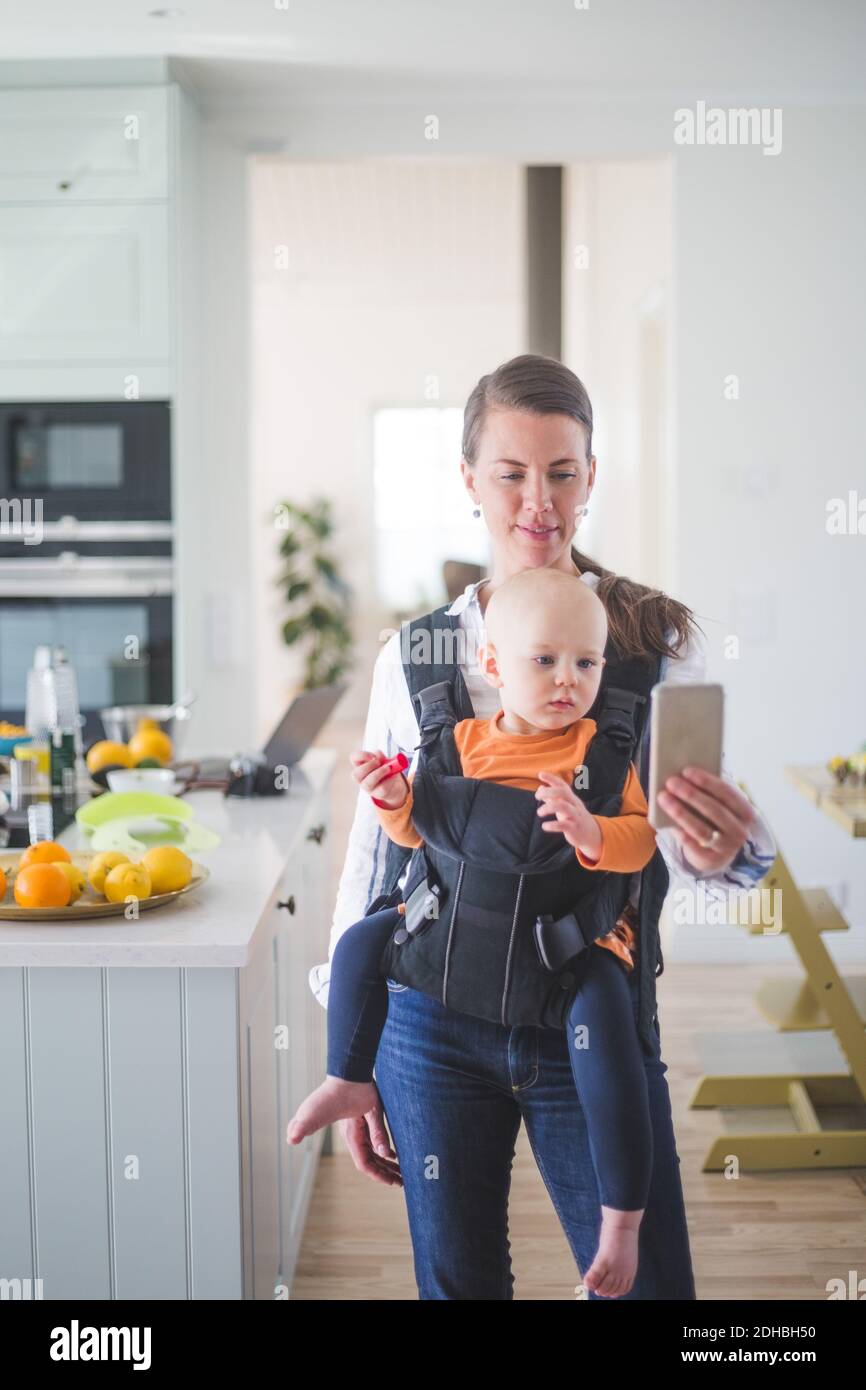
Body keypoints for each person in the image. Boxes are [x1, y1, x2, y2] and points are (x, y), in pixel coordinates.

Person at [308, 354, 776, 1300]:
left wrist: (740, 851)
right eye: (511, 473)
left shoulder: (646, 647)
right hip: (429, 1019)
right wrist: (348, 1047)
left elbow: (706, 845)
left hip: (590, 1012)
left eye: (562, 472)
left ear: (592, 477)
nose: (538, 501)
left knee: (652, 1293)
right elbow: (373, 851)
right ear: (470, 480)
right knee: (460, 1283)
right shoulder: (422, 649)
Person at [290, 571, 658, 1297]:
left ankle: (621, 1219)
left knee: (612, 1037)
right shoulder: (460, 741)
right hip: (450, 958)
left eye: (586, 664)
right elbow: (414, 827)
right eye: (544, 660)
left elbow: (640, 843)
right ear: (492, 667)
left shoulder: (600, 752)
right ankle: (345, 1075)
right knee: (365, 939)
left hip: (565, 967)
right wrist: (394, 798)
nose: (567, 681)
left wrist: (593, 833)